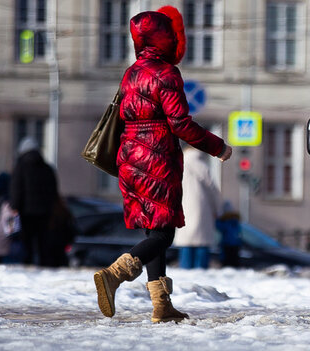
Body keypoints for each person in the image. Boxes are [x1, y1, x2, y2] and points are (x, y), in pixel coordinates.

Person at [93, 6, 232, 323]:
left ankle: (162, 305)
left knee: (154, 229)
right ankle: (116, 273)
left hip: (129, 156)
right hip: (156, 155)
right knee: (164, 235)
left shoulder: (132, 73)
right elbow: (180, 123)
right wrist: (217, 146)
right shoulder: (167, 73)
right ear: (164, 37)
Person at [10, 137, 59, 267]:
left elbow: (16, 188)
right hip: (44, 211)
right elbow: (53, 191)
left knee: (27, 241)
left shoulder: (20, 167)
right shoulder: (47, 168)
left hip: (26, 211)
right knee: (42, 240)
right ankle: (44, 265)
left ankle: (28, 264)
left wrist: (15, 206)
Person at [173, 147, 222, 269]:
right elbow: (213, 190)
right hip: (201, 209)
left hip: (183, 207)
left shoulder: (178, 163)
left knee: (187, 244)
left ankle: (185, 272)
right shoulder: (201, 165)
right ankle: (200, 272)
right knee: (202, 243)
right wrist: (218, 210)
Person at [215, 201, 242, 268]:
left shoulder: (225, 221)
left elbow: (218, 226)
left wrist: (217, 218)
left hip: (227, 245)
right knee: (234, 264)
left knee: (227, 265)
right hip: (236, 245)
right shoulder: (236, 221)